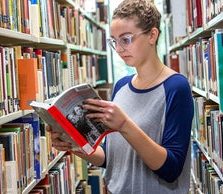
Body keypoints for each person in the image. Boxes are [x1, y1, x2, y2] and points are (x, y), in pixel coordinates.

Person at [47, 0, 194, 193]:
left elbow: (172, 169)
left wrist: (124, 125)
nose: (119, 49)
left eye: (126, 39)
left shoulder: (176, 87)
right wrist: (73, 144)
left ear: (152, 35)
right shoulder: (122, 86)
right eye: (114, 41)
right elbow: (109, 157)